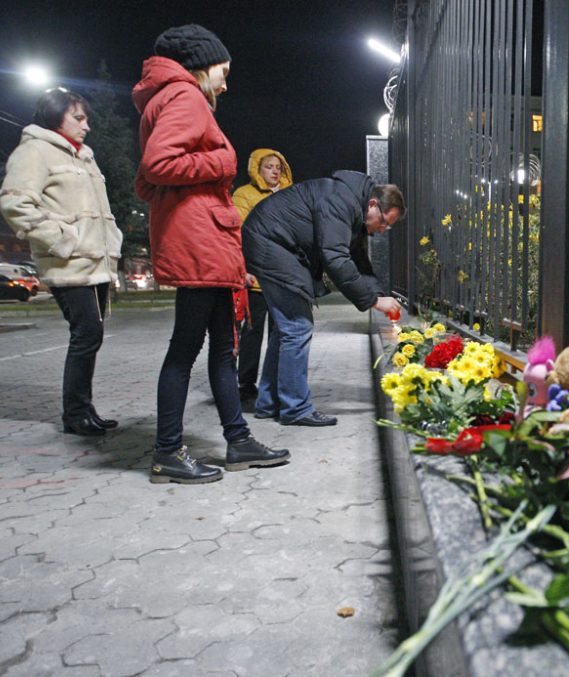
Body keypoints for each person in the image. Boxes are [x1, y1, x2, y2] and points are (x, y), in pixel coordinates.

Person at [133, 24, 289, 484]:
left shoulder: (170, 98)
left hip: (202, 237)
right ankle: (166, 451)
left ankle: (238, 440)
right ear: (201, 65)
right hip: (198, 240)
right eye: (223, 71)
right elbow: (157, 166)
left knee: (223, 349)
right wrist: (221, 163)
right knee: (186, 350)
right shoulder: (184, 97)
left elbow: (148, 180)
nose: (226, 82)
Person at [0, 88, 123, 436]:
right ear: (56, 116)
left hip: (94, 264)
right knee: (86, 334)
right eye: (78, 118)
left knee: (91, 337)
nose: (86, 126)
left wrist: (110, 243)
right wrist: (63, 241)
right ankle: (75, 415)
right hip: (68, 263)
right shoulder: (35, 151)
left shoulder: (83, 156)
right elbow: (15, 205)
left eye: (87, 119)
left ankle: (84, 409)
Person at [242, 171, 403, 426]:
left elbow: (358, 261)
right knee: (297, 327)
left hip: (271, 241)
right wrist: (372, 301)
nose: (382, 229)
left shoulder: (352, 205)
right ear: (373, 204)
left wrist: (380, 295)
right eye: (384, 222)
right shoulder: (341, 202)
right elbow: (336, 259)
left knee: (286, 330)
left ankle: (269, 402)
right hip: (271, 244)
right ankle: (295, 409)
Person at [232, 149, 293, 402]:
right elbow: (240, 234)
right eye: (269, 166)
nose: (275, 171)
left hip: (283, 277)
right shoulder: (244, 195)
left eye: (279, 166)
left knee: (280, 332)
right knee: (252, 333)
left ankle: (276, 382)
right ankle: (246, 384)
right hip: (256, 277)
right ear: (257, 169)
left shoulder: (291, 194)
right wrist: (243, 269)